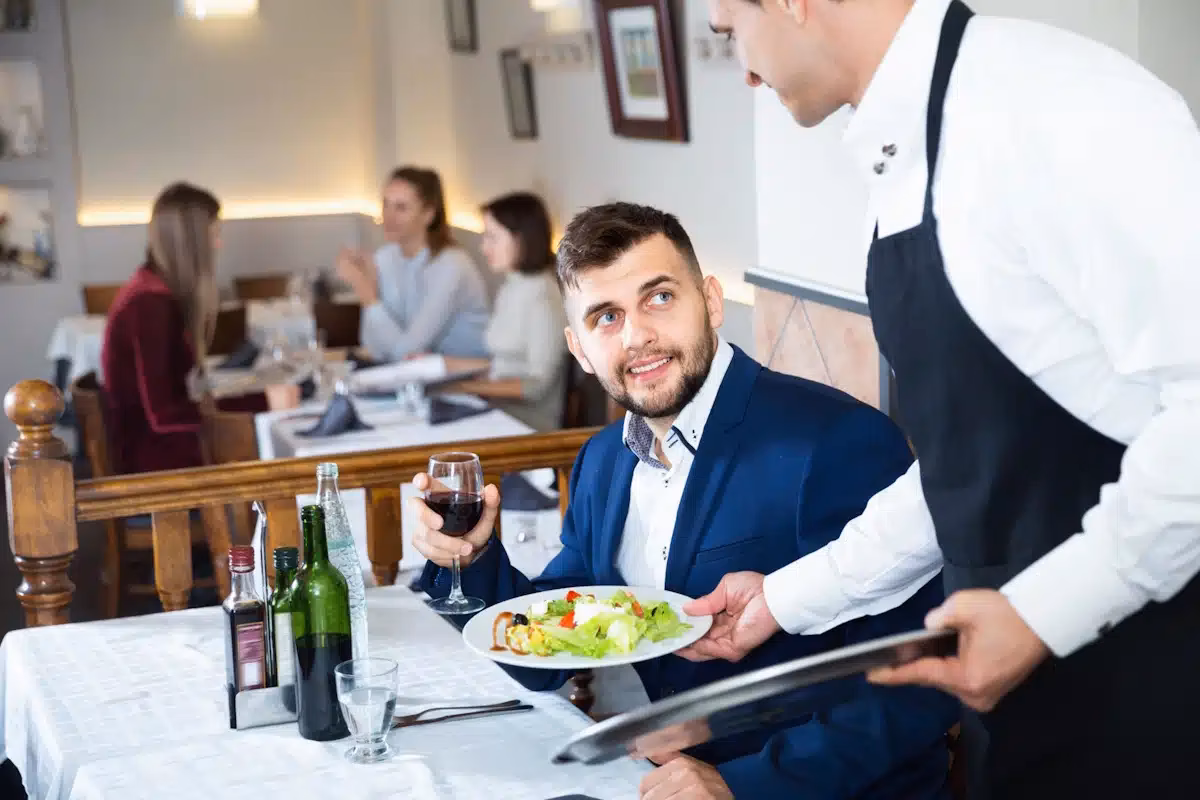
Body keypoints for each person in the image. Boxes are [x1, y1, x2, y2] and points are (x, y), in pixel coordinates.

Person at [685, 1, 1200, 797]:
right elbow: (974, 465)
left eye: (730, 30)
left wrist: (1043, 613)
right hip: (1025, 714)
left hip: (1156, 694)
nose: (745, 68)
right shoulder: (902, 162)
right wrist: (783, 599)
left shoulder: (1056, 104)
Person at [413, 202, 959, 799]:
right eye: (606, 317)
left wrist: (741, 786)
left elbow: (915, 684)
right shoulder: (602, 462)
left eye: (660, 298)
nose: (637, 335)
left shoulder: (835, 441)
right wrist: (471, 557)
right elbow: (551, 649)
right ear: (578, 347)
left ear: (712, 302)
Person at [102, 182, 299, 474]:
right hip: (153, 461)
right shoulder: (149, 306)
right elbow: (164, 415)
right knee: (282, 452)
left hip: (154, 448)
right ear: (191, 242)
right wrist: (264, 400)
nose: (219, 244)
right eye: (215, 234)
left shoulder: (150, 290)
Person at [442, 192, 569, 431]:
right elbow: (502, 364)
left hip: (525, 424)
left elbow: (536, 386)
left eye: (492, 237)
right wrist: (441, 366)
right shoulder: (511, 287)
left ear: (522, 239)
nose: (483, 247)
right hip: (494, 411)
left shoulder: (544, 298)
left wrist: (468, 387)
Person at [336, 166, 490, 362]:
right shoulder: (386, 257)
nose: (388, 216)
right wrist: (371, 285)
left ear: (428, 215)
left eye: (401, 208)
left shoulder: (451, 265)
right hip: (419, 378)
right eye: (386, 205)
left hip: (470, 381)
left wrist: (366, 292)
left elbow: (407, 352)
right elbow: (373, 346)